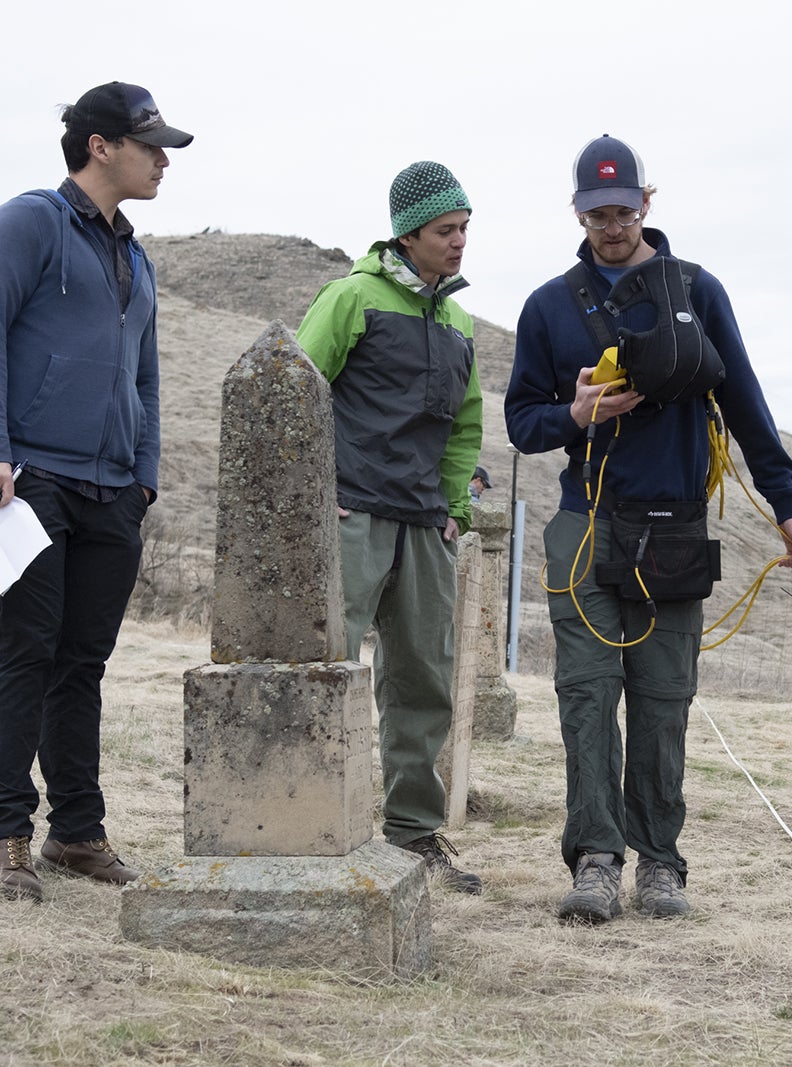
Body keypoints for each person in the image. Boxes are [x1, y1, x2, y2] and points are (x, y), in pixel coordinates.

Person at [505, 134, 792, 923]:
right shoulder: (547, 307)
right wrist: (572, 413)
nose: (610, 226)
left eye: (622, 210)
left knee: (662, 698)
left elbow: (744, 398)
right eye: (595, 213)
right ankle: (596, 860)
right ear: (575, 213)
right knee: (586, 694)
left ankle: (660, 864)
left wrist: (787, 504)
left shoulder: (699, 291)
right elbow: (521, 421)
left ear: (648, 202)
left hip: (673, 525)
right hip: (584, 527)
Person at [0, 82, 193, 902]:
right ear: (100, 146)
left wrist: (144, 475)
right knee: (26, 648)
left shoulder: (134, 253)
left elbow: (146, 378)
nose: (164, 160)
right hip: (32, 482)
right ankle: (6, 836)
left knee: (83, 663)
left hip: (113, 491)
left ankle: (77, 833)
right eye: (151, 144)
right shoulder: (28, 223)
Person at [295, 161, 484, 894]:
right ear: (408, 235)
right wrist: (320, 494)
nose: (460, 241)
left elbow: (465, 426)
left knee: (423, 682)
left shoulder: (462, 321)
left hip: (424, 526)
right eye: (446, 230)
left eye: (465, 227)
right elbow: (297, 390)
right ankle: (313, 825)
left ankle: (412, 835)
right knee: (328, 669)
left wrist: (453, 511)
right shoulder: (349, 298)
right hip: (352, 515)